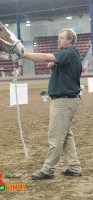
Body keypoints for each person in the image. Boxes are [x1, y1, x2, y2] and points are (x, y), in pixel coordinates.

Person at [23, 29, 83, 180]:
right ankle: (74, 167)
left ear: (69, 40)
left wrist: (23, 54)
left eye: (61, 38)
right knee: (66, 135)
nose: (58, 40)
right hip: (67, 100)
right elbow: (66, 74)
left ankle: (48, 169)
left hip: (64, 101)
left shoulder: (68, 52)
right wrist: (54, 68)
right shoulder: (71, 54)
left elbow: (44, 57)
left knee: (55, 137)